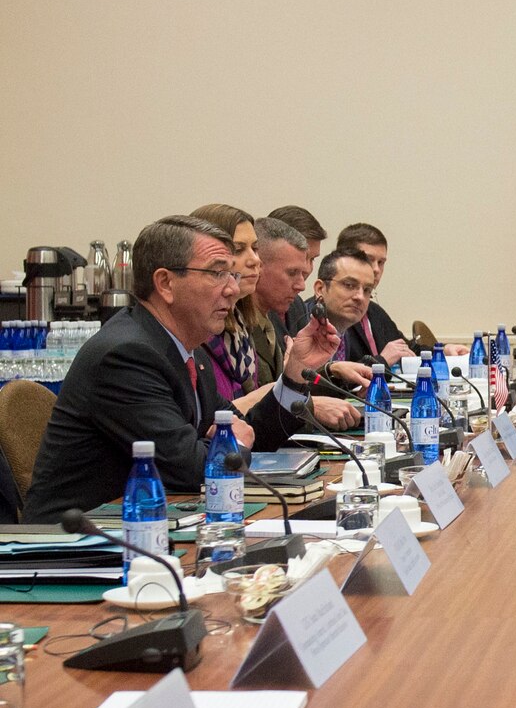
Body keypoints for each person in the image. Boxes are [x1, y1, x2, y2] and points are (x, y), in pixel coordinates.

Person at [23, 215, 339, 523]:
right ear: (166, 283)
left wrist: (295, 375)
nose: (232, 289)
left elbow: (240, 432)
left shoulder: (185, 350)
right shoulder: (125, 355)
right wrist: (234, 441)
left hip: (147, 529)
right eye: (217, 274)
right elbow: (193, 467)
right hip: (75, 546)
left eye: (232, 275)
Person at [252, 217, 364, 430]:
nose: (302, 285)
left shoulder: (283, 310)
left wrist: (329, 371)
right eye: (293, 273)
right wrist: (309, 405)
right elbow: (243, 410)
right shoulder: (231, 326)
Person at [189, 204, 262, 401]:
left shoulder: (242, 326)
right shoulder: (197, 333)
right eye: (238, 250)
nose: (254, 260)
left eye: (255, 248)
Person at [333, 223, 416, 365]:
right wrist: (381, 361)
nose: (376, 269)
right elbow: (337, 376)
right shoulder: (333, 311)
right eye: (369, 259)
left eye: (381, 262)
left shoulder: (373, 310)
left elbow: (404, 347)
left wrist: (442, 351)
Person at [269, 205, 326, 336]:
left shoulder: (297, 305)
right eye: (303, 258)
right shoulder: (245, 309)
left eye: (312, 259)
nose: (307, 268)